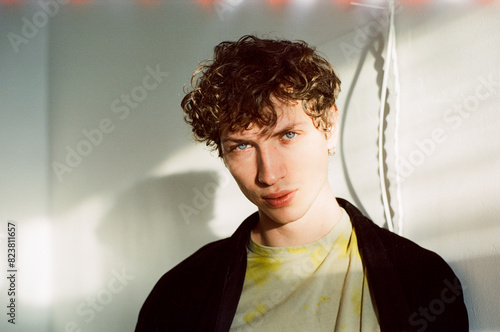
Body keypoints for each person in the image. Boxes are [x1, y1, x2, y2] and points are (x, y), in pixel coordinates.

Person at [135, 35, 468, 332]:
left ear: (329, 126)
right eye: (241, 146)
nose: (268, 174)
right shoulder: (179, 296)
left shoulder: (421, 280)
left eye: (288, 135)